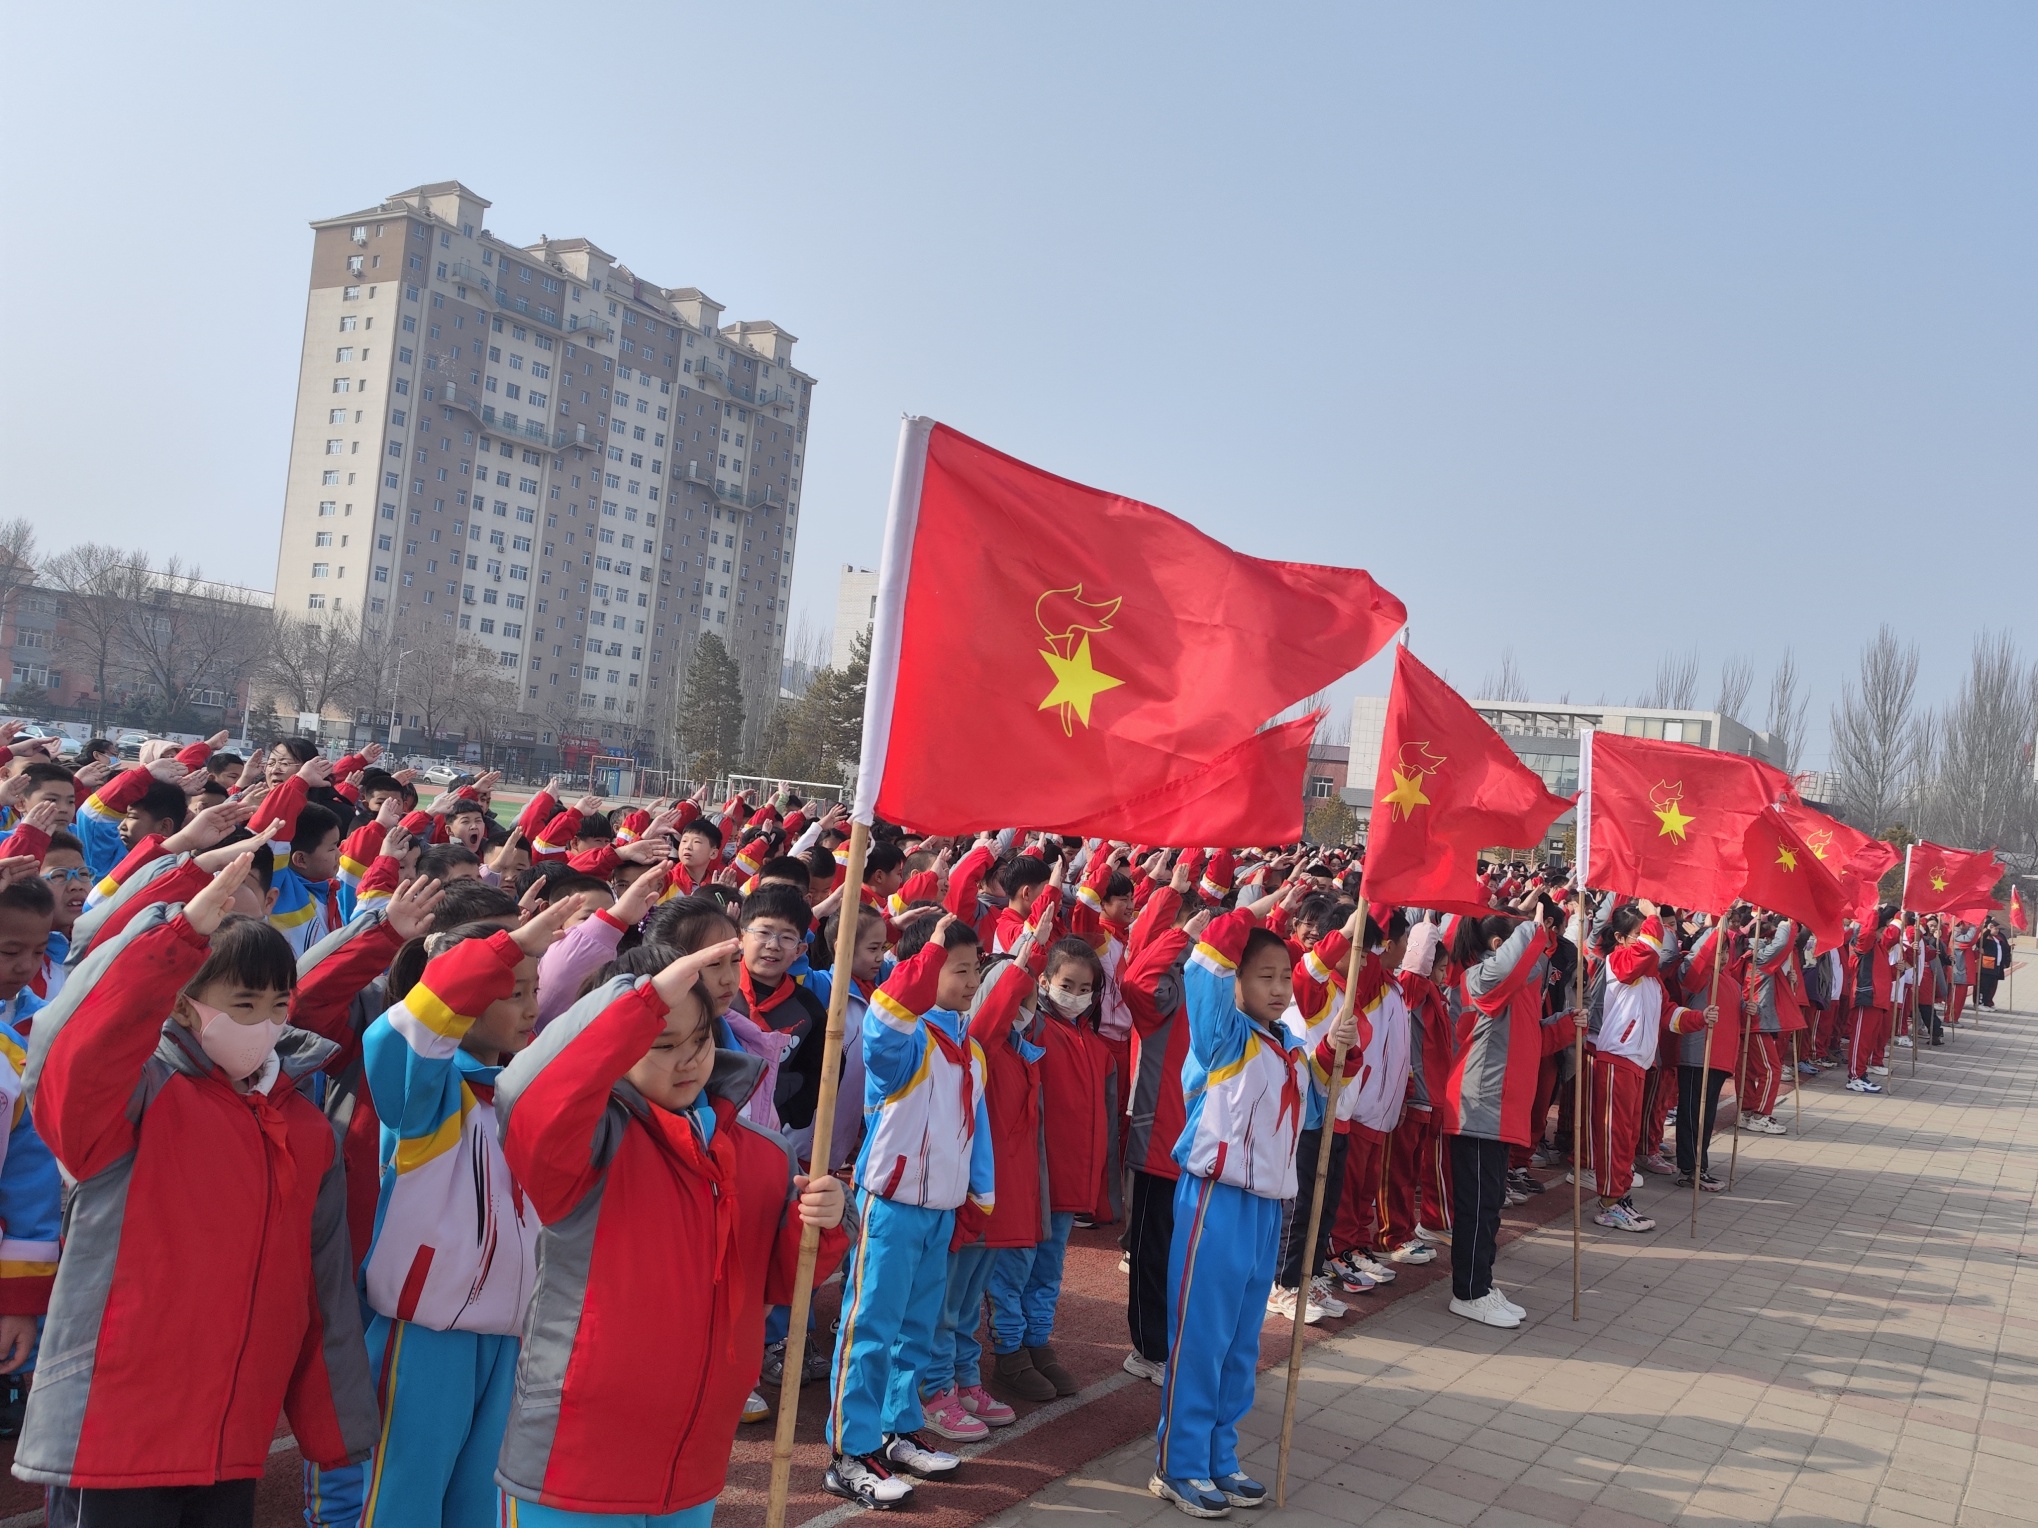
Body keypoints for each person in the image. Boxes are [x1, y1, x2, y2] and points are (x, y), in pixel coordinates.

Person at [15, 853, 378, 1525]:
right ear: (184, 1003)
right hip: (117, 1435)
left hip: (232, 1437)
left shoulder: (300, 1120)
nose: (265, 1022)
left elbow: (319, 1280)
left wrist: (331, 1422)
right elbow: (77, 1047)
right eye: (243, 1004)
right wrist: (175, 938)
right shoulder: (134, 1098)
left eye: (278, 1004)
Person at [492, 940, 849, 1524]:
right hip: (575, 1460)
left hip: (695, 1457)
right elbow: (527, 1095)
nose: (688, 1060)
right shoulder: (585, 1148)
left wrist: (828, 1219)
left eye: (700, 1039)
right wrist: (642, 1000)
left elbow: (781, 1281)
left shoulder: (762, 1154)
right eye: (660, 1044)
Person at [353, 895, 581, 1527]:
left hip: (512, 1336)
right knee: (404, 1498)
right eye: (513, 991)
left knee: (484, 1506)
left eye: (534, 988)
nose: (533, 1004)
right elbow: (400, 1035)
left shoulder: (524, 1094)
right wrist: (502, 950)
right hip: (429, 1335)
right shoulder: (426, 1099)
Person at [1150, 904, 1351, 1518]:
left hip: (1269, 1210)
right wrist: (1256, 909)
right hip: (1216, 1202)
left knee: (1241, 1343)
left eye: (1285, 977)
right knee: (1203, 1339)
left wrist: (1331, 1058)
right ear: (1236, 982)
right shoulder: (1223, 1037)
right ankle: (1179, 1464)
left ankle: (1219, 1455)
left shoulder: (1288, 1047)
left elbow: (1314, 1117)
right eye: (1263, 976)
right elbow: (1204, 969)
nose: (1279, 988)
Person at [825, 914, 992, 1508]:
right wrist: (928, 952)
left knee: (915, 1331)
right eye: (959, 968)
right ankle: (850, 1451)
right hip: (891, 1206)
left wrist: (977, 1198)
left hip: (939, 1210)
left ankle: (895, 1429)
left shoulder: (970, 1049)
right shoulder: (903, 1037)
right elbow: (887, 1018)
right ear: (924, 969)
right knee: (869, 1327)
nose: (972, 980)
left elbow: (978, 1132)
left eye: (977, 969)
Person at [1438, 905, 1572, 1329]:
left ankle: (1481, 1283)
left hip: (1496, 1110)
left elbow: (1533, 1035)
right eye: (1526, 940)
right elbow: (1511, 966)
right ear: (1500, 946)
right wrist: (1531, 926)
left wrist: (1570, 1023)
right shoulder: (1479, 978)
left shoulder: (1515, 991)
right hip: (1479, 1107)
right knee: (1477, 1205)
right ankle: (1469, 1291)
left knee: (1489, 1204)